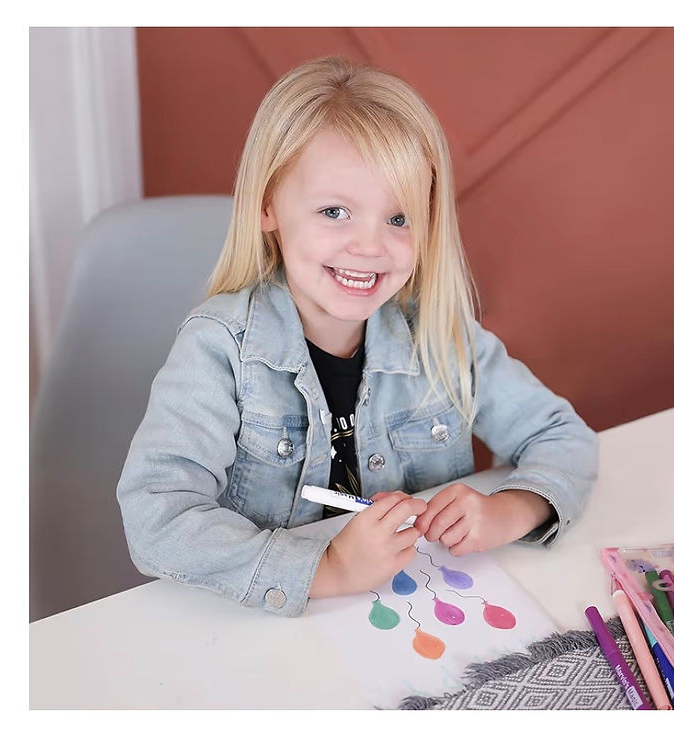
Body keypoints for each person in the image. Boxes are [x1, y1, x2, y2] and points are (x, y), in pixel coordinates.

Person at [116, 56, 598, 617]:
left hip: (423, 610)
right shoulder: (219, 349)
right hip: (272, 628)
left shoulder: (438, 334)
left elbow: (563, 435)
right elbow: (157, 516)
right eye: (335, 211)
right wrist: (330, 567)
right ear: (268, 204)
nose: (369, 246)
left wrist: (512, 509)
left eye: (399, 219)